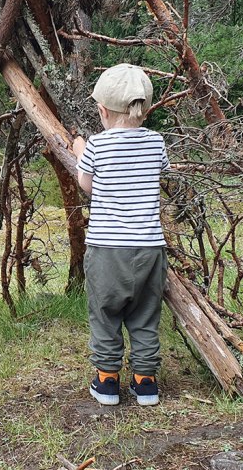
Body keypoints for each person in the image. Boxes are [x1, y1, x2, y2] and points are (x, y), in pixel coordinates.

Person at [73, 64, 170, 406]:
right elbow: (157, 173)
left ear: (101, 110)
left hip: (107, 250)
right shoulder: (157, 142)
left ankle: (107, 381)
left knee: (105, 314)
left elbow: (87, 186)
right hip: (149, 248)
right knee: (144, 316)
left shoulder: (97, 146)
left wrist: (80, 152)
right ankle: (145, 383)